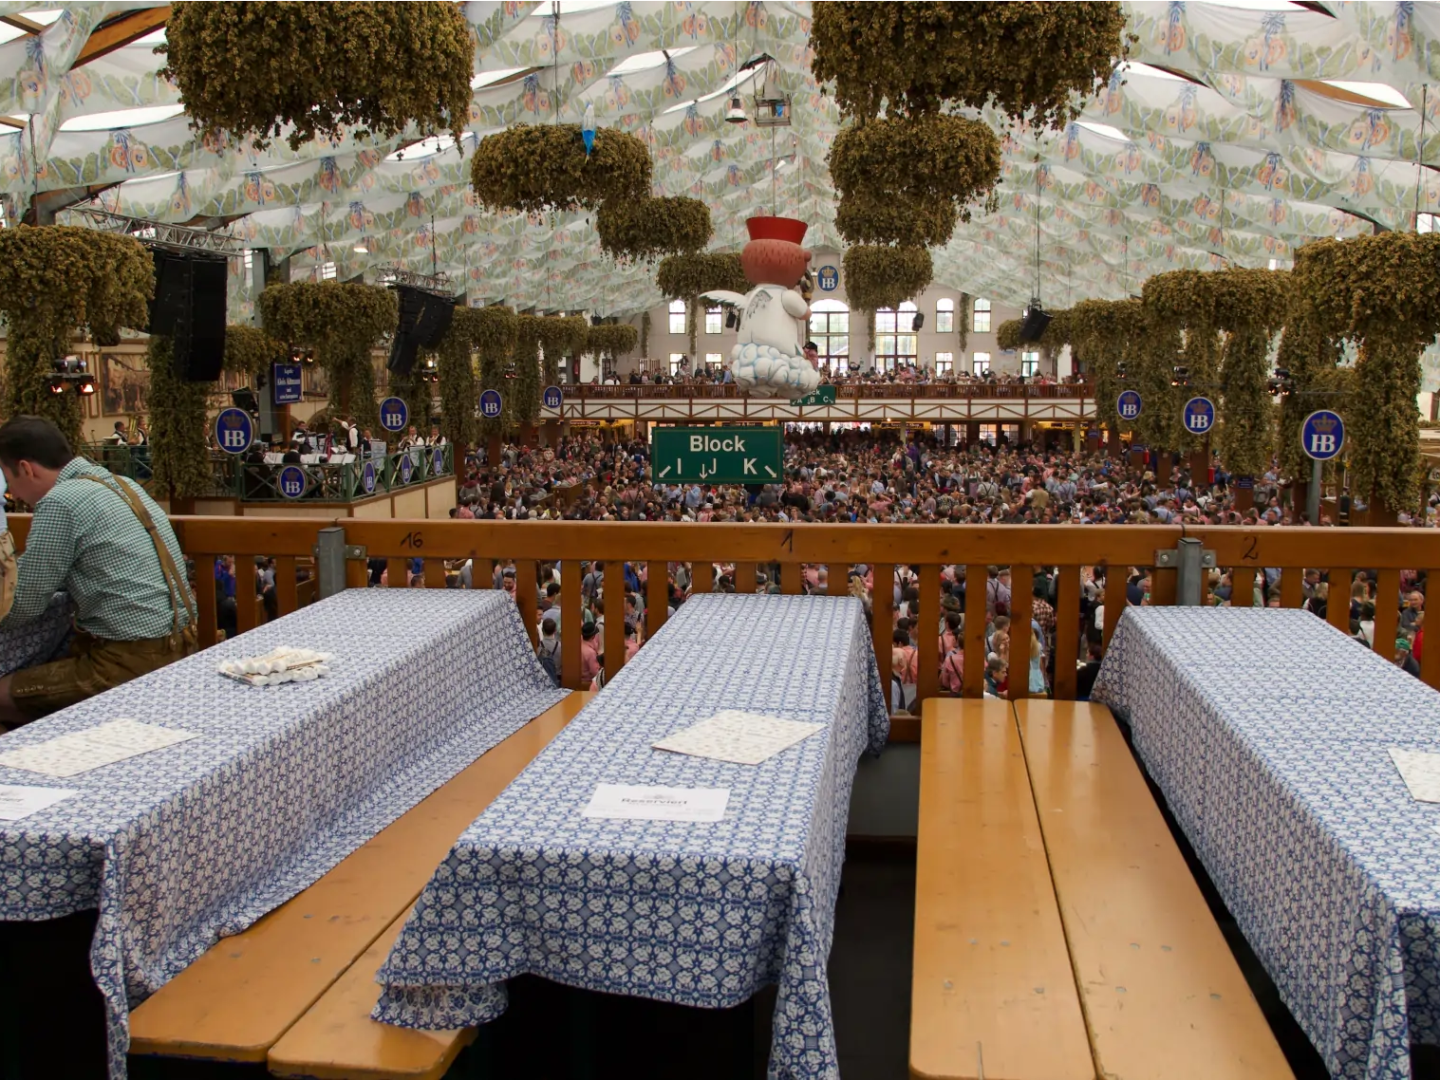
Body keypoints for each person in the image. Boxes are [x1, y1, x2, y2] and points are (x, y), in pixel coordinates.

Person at [0, 416, 196, 729]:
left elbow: (21, 607)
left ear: (26, 468)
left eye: (9, 483)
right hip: (182, 645)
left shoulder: (60, 502)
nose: (14, 495)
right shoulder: (122, 484)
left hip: (126, 665)